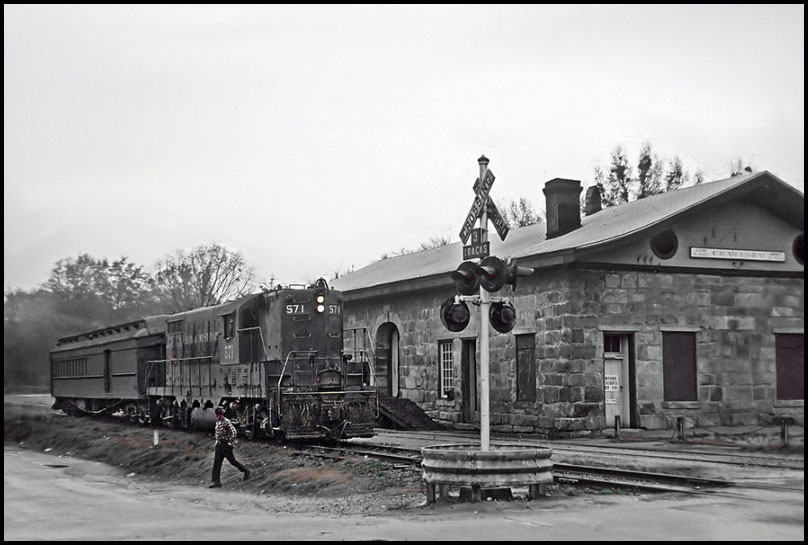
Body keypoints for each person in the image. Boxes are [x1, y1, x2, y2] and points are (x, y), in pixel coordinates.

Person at [209, 406, 250, 488]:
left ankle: (245, 470)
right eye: (217, 414)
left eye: (219, 414)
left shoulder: (226, 422)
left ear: (222, 414)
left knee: (233, 461)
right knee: (216, 463)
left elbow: (234, 432)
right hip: (219, 445)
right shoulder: (218, 422)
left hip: (225, 445)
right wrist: (217, 442)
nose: (218, 416)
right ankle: (216, 482)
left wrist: (230, 442)